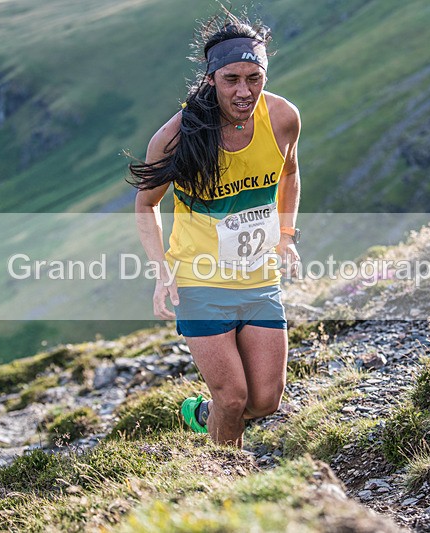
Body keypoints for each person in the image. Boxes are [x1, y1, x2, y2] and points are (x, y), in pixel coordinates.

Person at [129, 11, 301, 447]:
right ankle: (224, 479)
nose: (244, 91)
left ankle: (203, 413)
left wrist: (286, 237)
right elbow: (146, 204)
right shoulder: (177, 136)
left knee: (264, 401)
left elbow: (290, 174)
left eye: (254, 77)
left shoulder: (282, 118)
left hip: (259, 277)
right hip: (198, 281)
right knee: (233, 397)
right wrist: (160, 272)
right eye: (231, 79)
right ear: (210, 79)